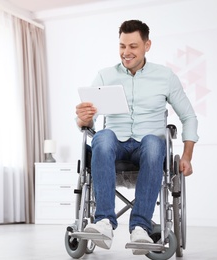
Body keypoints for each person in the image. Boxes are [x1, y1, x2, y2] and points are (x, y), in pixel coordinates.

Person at [75, 20, 198, 255]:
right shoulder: (105, 76)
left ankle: (140, 226)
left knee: (154, 141)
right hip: (114, 145)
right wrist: (83, 118)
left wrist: (187, 155)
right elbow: (86, 123)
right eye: (122, 46)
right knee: (102, 136)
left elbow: (189, 117)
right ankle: (103, 222)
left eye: (133, 46)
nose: (126, 52)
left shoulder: (165, 76)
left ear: (147, 45)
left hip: (147, 148)